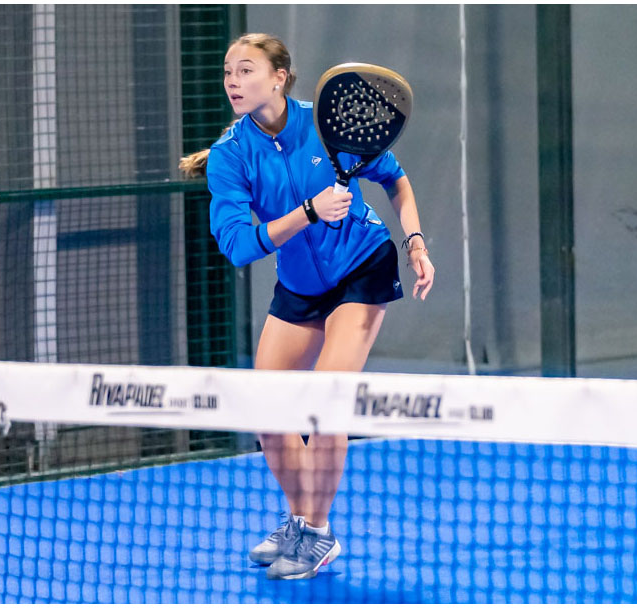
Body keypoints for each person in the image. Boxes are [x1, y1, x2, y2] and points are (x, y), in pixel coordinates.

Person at [179, 33, 434, 580]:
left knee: (327, 400)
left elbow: (395, 179)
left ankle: (317, 534)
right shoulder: (229, 156)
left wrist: (414, 241)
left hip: (361, 268)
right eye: (227, 72)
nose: (232, 82)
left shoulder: (326, 126)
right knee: (267, 411)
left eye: (245, 70)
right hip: (299, 285)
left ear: (279, 77)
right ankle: (300, 520)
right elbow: (238, 246)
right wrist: (309, 212)